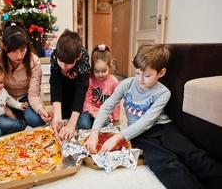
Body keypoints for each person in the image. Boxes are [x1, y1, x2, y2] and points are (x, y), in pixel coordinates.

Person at [85, 44, 222, 189]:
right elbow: (107, 106)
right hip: (140, 135)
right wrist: (94, 132)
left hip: (165, 128)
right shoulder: (126, 84)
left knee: (194, 155)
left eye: (147, 75)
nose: (140, 79)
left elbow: (147, 121)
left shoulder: (163, 93)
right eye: (137, 73)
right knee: (167, 164)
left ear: (161, 73)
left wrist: (119, 136)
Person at [0, 21, 52, 127]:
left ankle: (18, 121)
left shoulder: (34, 61)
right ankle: (18, 120)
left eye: (22, 50)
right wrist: (7, 110)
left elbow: (33, 94)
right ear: (4, 47)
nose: (19, 56)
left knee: (36, 121)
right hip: (4, 98)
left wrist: (41, 110)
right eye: (14, 51)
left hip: (25, 99)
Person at [50, 29, 90, 140]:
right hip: (63, 85)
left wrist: (72, 124)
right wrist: (57, 115)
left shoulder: (83, 58)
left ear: (78, 57)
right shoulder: (55, 55)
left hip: (76, 85)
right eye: (60, 62)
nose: (63, 67)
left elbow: (81, 91)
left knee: (78, 121)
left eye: (67, 64)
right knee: (62, 116)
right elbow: (55, 85)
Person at [78, 44, 120, 129]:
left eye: (104, 71)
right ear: (92, 68)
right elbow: (87, 100)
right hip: (89, 111)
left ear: (110, 67)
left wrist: (116, 119)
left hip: (104, 112)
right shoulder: (90, 80)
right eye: (96, 71)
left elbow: (116, 103)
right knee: (84, 125)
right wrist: (92, 112)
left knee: (104, 124)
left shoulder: (114, 82)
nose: (100, 75)